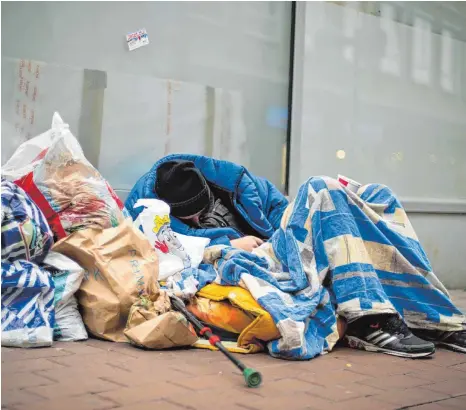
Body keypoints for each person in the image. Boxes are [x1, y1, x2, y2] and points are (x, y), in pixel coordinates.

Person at [126, 154, 466, 358]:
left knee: (379, 195)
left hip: (280, 245)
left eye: (203, 210)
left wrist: (292, 230)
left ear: (210, 189)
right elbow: (175, 260)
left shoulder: (239, 186)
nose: (199, 220)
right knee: (320, 187)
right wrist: (231, 247)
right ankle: (369, 319)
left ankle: (433, 316)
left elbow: (280, 210)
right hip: (257, 262)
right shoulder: (151, 216)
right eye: (190, 218)